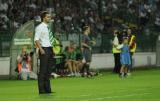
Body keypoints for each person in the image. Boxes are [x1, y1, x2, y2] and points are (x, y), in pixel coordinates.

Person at [34, 11, 55, 94]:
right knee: (43, 70)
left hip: (49, 49)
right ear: (43, 18)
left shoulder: (47, 27)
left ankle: (48, 89)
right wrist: (41, 49)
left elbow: (49, 40)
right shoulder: (40, 27)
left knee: (48, 70)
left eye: (50, 17)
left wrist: (52, 50)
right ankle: (41, 90)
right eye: (48, 17)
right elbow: (36, 39)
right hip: (44, 49)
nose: (49, 18)